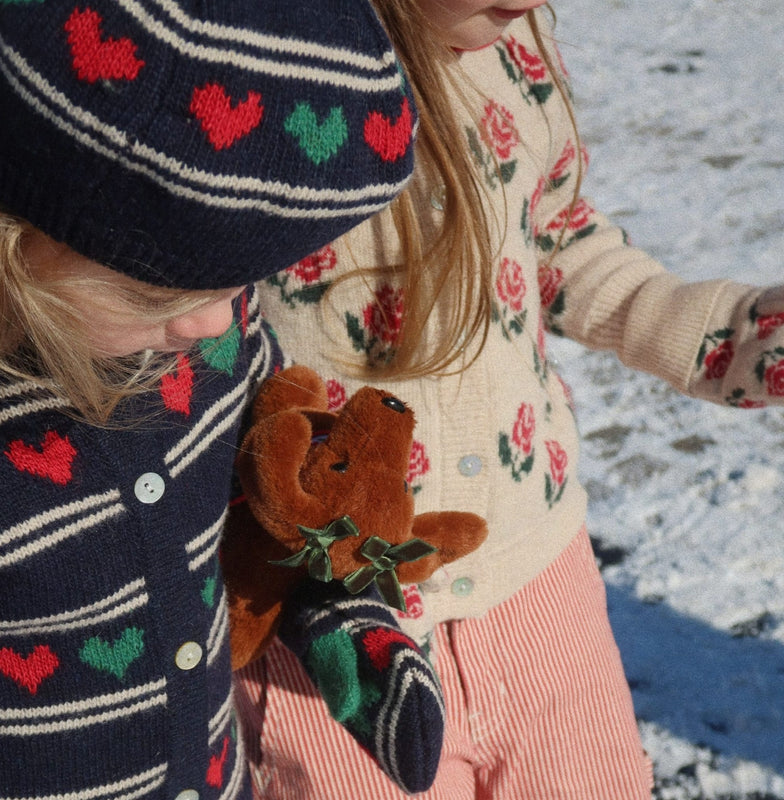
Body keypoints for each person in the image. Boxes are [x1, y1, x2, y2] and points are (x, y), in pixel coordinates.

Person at [233, 0, 784, 797]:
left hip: (539, 585)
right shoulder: (249, 62)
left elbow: (553, 239)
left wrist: (732, 340)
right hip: (334, 633)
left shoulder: (514, 48)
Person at [0, 1, 417, 798]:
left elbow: (272, 485)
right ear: (9, 233)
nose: (220, 320)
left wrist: (338, 605)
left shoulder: (210, 333)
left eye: (242, 283)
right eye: (153, 290)